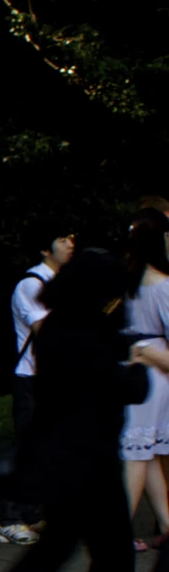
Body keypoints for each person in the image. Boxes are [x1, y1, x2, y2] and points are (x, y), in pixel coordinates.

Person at [0, 248, 169, 572]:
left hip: (61, 456)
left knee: (58, 546)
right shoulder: (86, 332)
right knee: (113, 549)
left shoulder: (59, 326)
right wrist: (137, 365)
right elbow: (125, 387)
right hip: (91, 458)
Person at [0, 227, 75, 545]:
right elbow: (48, 332)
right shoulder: (31, 283)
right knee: (25, 444)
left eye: (72, 239)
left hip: (51, 378)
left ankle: (30, 513)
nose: (70, 244)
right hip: (30, 377)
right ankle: (7, 520)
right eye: (62, 239)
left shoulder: (61, 283)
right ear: (45, 249)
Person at [119, 206, 169, 544]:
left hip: (137, 369)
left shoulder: (130, 279)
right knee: (140, 451)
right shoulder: (162, 285)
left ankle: (163, 523)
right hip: (155, 373)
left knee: (142, 449)